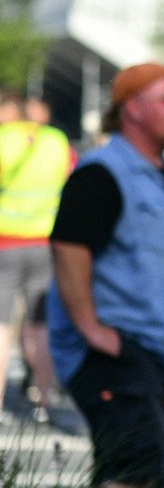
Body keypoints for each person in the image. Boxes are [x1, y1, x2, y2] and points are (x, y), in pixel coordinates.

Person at [47, 63, 164, 487]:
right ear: (133, 109)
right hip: (116, 354)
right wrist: (91, 329)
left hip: (157, 357)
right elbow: (68, 248)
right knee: (134, 469)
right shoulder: (102, 173)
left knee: (149, 472)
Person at [0, 89, 72, 425]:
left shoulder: (4, 139)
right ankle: (45, 401)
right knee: (39, 327)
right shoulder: (57, 142)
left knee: (2, 329)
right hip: (44, 241)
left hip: (6, 241)